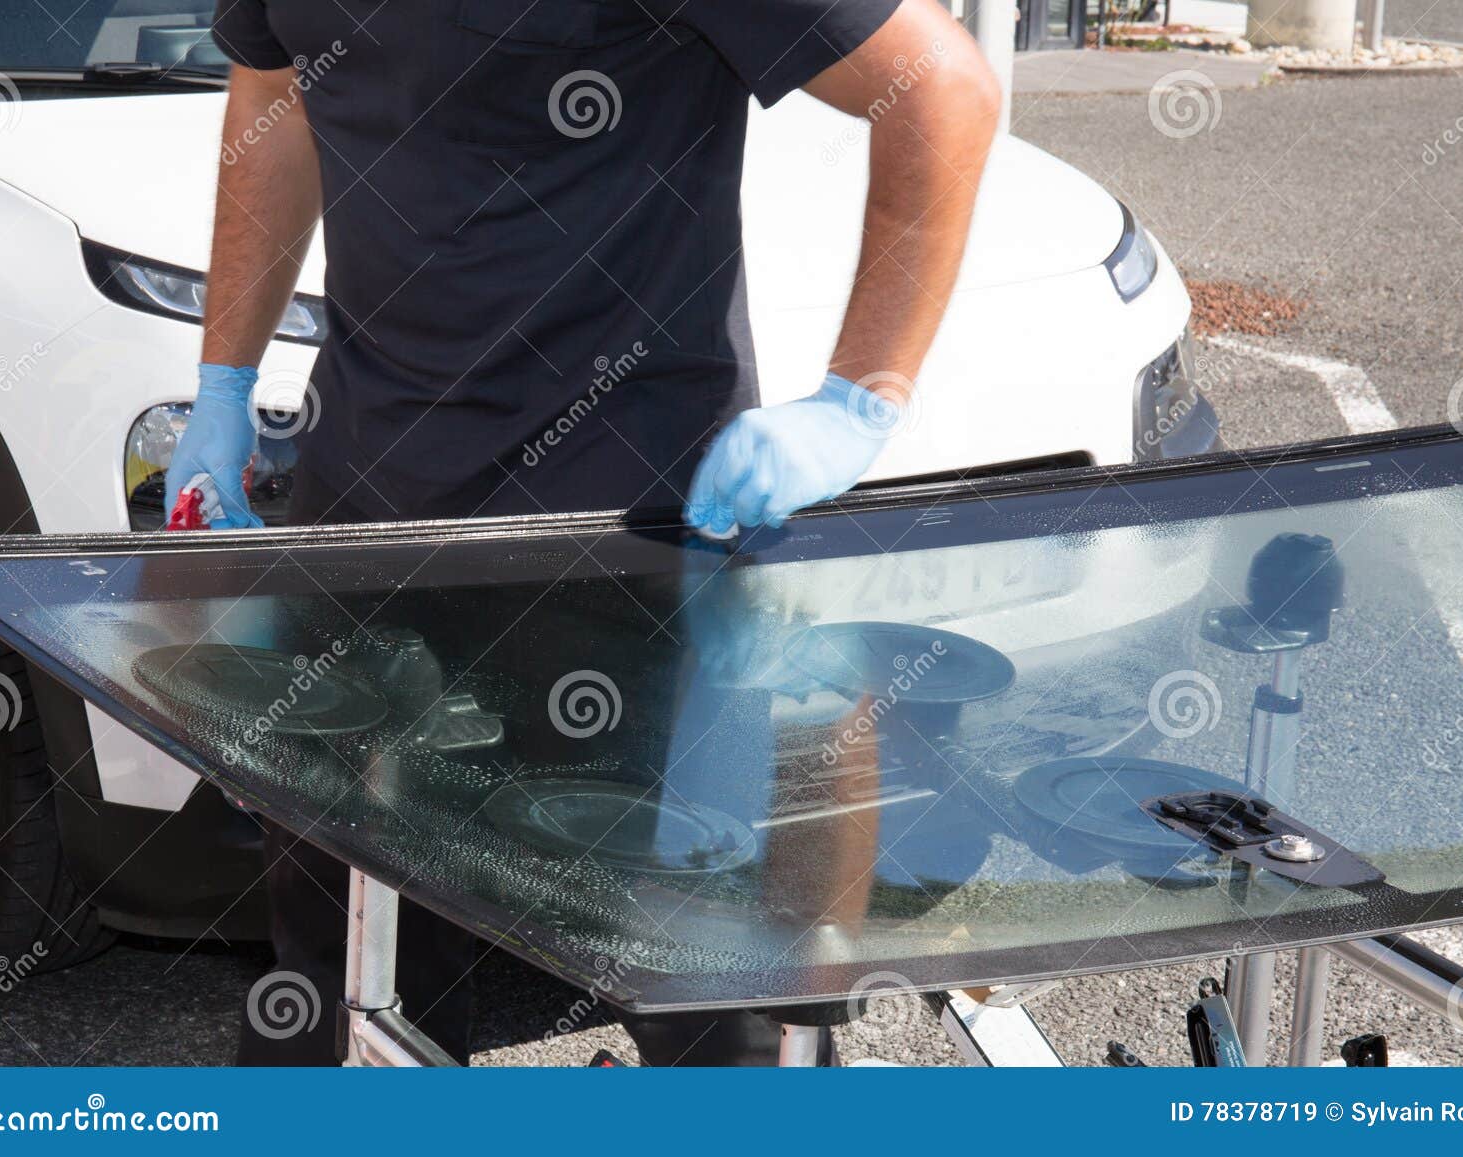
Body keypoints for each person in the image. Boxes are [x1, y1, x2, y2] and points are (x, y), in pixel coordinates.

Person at [177, 0, 1001, 1065]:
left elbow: (941, 90)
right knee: (350, 986)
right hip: (366, 518)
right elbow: (275, 98)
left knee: (714, 1001)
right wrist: (222, 380)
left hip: (626, 543)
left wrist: (859, 399)